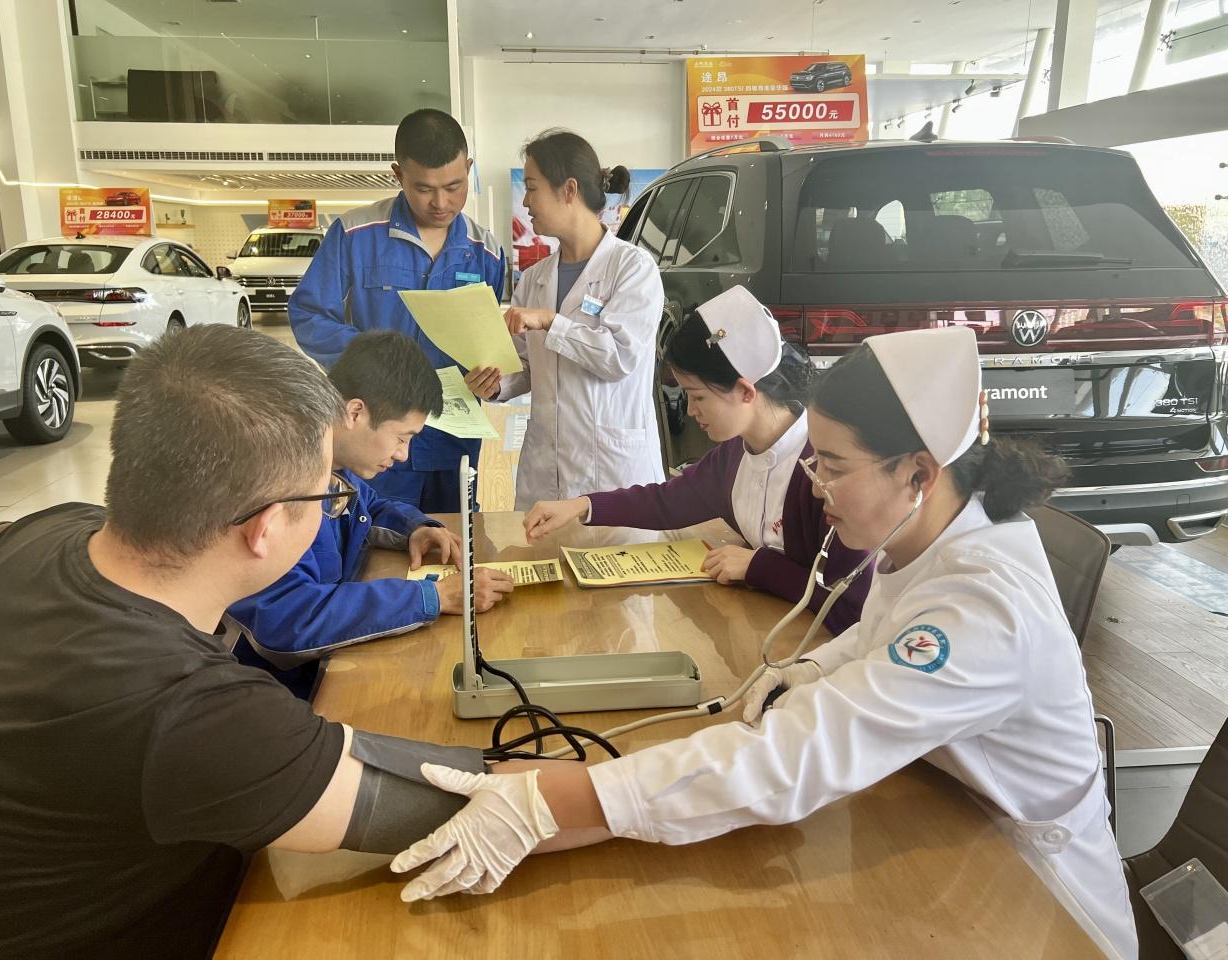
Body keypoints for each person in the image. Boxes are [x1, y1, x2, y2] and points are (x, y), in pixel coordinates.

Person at [390, 326, 1140, 960]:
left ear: (918, 472)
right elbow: (882, 637)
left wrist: (558, 803)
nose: (814, 483)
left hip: (1037, 894)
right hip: (942, 815)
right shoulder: (929, 535)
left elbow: (799, 756)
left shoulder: (986, 606)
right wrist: (810, 666)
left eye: (833, 466)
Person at [0, 327, 500, 959]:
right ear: (266, 528)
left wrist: (407, 524)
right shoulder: (194, 711)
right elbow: (467, 801)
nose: (338, 500)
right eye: (325, 494)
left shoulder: (53, 528)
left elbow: (362, 504)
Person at [521, 285, 870, 634]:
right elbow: (667, 502)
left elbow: (851, 605)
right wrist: (581, 505)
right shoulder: (735, 456)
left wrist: (758, 567)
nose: (690, 411)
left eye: (698, 396)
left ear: (746, 391)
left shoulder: (822, 470)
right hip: (764, 626)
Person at [229, 330, 513, 698]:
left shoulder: (329, 459)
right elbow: (285, 620)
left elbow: (369, 506)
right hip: (270, 691)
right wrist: (432, 597)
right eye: (402, 437)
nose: (403, 454)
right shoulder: (281, 483)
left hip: (327, 663)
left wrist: (415, 528)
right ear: (355, 412)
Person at [290, 108, 505, 512]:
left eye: (454, 186)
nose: (441, 202)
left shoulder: (487, 253)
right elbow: (309, 314)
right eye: (424, 188)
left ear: (469, 170)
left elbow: (489, 345)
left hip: (453, 438)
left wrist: (490, 379)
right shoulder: (355, 235)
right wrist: (376, 366)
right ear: (398, 174)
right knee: (372, 531)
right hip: (375, 435)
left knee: (452, 533)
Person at [465, 129, 664, 510]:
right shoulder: (535, 279)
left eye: (532, 188)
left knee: (613, 546)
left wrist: (550, 321)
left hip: (614, 473)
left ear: (569, 190)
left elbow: (619, 357)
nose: (526, 201)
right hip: (546, 469)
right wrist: (494, 384)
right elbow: (524, 366)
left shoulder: (633, 268)